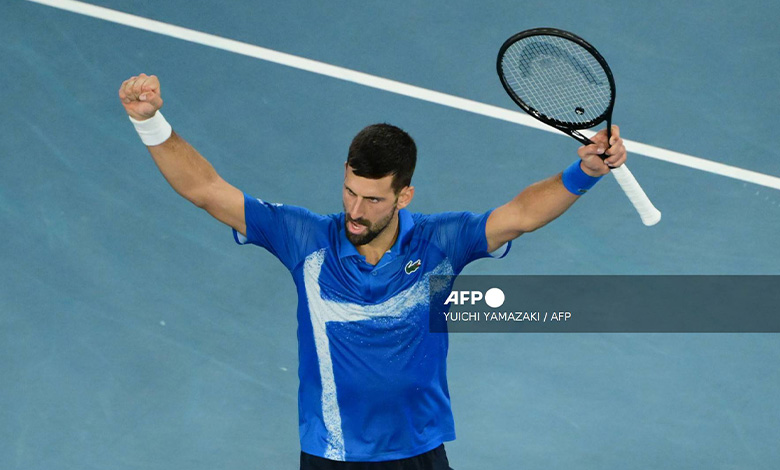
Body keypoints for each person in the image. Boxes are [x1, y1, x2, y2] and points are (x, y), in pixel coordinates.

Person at [118, 73, 626, 469]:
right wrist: (149, 123)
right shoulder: (305, 238)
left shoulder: (439, 242)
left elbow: (519, 215)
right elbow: (206, 189)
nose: (356, 211)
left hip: (418, 451)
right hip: (333, 454)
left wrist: (584, 171)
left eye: (373, 199)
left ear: (404, 195)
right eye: (349, 192)